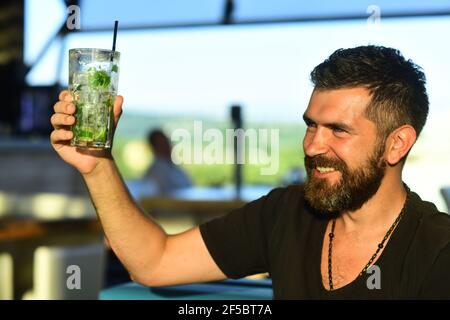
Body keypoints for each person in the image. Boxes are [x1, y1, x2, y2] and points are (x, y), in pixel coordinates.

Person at [50, 45, 450, 299]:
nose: (312, 145)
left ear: (397, 143)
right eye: (311, 124)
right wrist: (97, 165)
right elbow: (155, 262)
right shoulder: (288, 212)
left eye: (338, 131)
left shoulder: (437, 252)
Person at [143, 128, 192, 195]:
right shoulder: (156, 171)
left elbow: (188, 186)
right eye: (162, 144)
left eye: (167, 142)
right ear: (153, 147)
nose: (167, 146)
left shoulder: (172, 166)